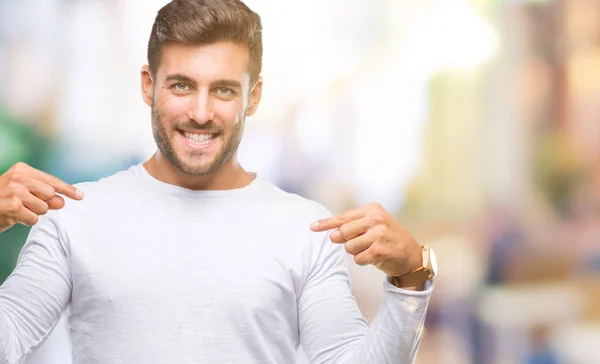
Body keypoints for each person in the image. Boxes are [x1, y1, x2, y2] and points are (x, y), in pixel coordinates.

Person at [0, 1, 435, 363]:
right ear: (148, 86)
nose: (202, 112)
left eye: (224, 90)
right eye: (182, 85)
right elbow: (9, 341)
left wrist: (411, 279)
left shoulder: (306, 230)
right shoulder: (75, 216)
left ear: (254, 97)